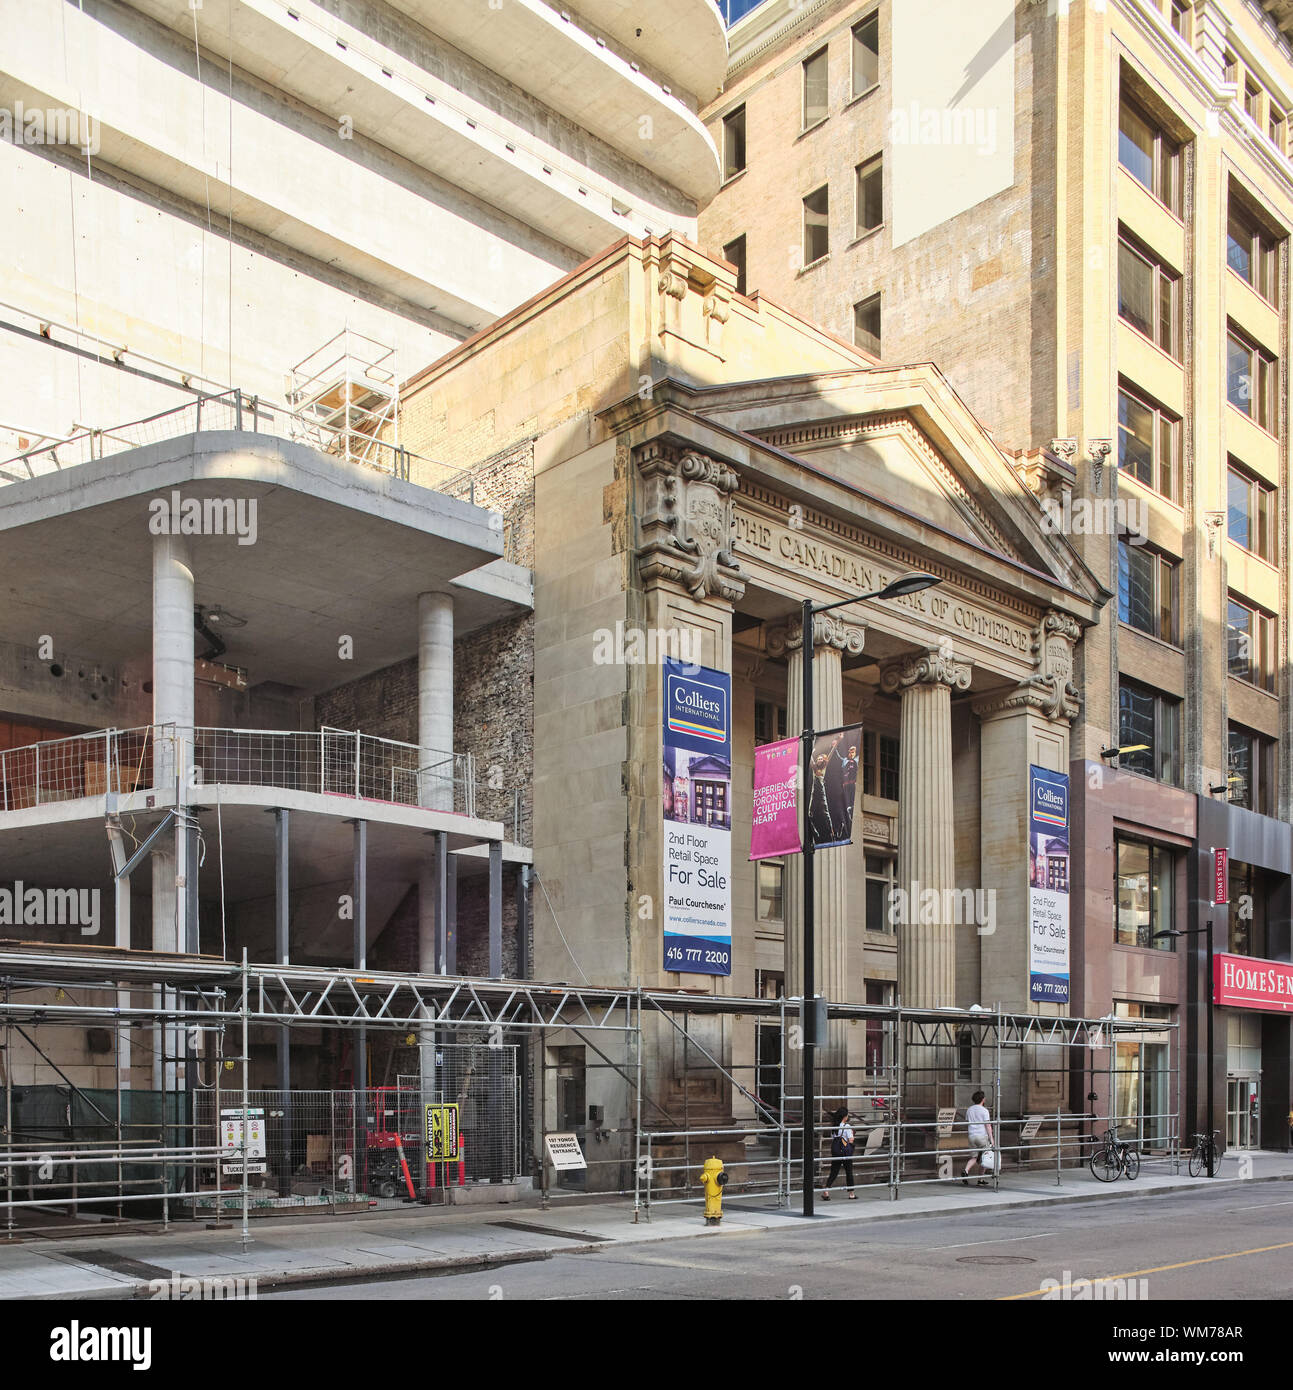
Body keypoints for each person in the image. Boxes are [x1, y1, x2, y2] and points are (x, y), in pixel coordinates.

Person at [821, 1107, 857, 1200]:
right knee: (849, 1172)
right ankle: (851, 1193)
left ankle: (826, 1191)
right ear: (845, 1116)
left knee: (834, 1172)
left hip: (836, 1152)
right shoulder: (847, 1126)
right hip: (846, 1153)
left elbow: (833, 1138)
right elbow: (851, 1140)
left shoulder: (834, 1127)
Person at [962, 1089, 994, 1187]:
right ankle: (980, 1179)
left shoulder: (969, 1109)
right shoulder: (984, 1110)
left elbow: (967, 1121)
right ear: (983, 1099)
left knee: (974, 1157)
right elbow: (988, 1125)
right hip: (982, 1136)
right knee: (985, 1158)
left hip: (971, 1136)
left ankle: (966, 1170)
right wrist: (992, 1139)